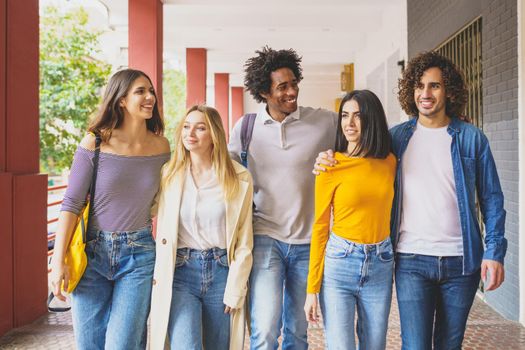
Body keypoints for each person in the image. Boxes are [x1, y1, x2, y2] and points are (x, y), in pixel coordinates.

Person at [315, 51, 507, 350]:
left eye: (434, 86)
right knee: (414, 345)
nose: (425, 94)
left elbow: (492, 199)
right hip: (411, 260)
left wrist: (494, 252)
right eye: (419, 86)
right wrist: (327, 158)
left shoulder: (471, 138)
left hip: (462, 261)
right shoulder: (397, 139)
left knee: (449, 344)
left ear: (449, 90)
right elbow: (360, 159)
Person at [49, 69, 170, 350]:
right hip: (91, 253)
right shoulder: (96, 141)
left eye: (151, 91)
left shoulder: (161, 146)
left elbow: (167, 199)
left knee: (123, 344)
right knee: (90, 345)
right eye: (140, 91)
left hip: (138, 255)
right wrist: (57, 263)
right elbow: (71, 203)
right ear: (121, 100)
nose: (150, 97)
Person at [228, 46, 338, 350]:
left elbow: (358, 150)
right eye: (282, 87)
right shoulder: (246, 128)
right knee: (263, 330)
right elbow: (226, 177)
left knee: (298, 332)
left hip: (310, 243)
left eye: (294, 83)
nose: (292, 92)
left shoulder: (325, 122)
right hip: (265, 239)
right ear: (264, 91)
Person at [149, 105, 254, 350]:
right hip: (180, 272)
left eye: (200, 127)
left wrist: (236, 287)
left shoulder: (239, 177)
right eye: (186, 127)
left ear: (214, 134)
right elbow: (145, 208)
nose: (190, 133)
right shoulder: (169, 174)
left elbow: (244, 240)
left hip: (221, 272)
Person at [304, 90, 396, 350]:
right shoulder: (330, 165)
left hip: (381, 262)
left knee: (375, 345)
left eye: (358, 116)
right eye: (345, 115)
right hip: (340, 263)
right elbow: (320, 226)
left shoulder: (390, 162)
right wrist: (312, 289)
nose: (349, 123)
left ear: (372, 119)